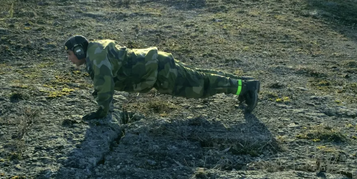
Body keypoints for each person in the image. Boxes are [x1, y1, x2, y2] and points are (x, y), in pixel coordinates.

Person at [64, 35, 260, 120]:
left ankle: (245, 87)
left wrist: (101, 111)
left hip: (160, 71)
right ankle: (243, 84)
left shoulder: (96, 58)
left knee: (200, 86)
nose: (70, 59)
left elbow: (104, 84)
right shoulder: (95, 50)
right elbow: (107, 79)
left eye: (70, 54)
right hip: (158, 65)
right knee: (199, 77)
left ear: (79, 51)